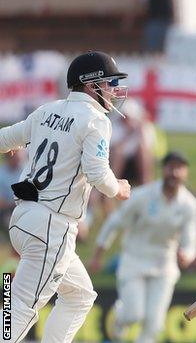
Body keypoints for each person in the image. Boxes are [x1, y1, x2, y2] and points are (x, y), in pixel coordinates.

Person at [0, 51, 132, 342]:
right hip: (52, 227)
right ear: (90, 85)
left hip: (23, 219)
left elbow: (4, 139)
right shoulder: (96, 121)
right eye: (109, 82)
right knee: (21, 307)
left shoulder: (47, 110)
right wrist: (119, 188)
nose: (114, 89)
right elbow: (98, 174)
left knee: (80, 296)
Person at [89, 151, 196, 343]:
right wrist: (98, 254)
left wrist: (187, 256)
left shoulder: (189, 205)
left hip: (164, 264)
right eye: (170, 167)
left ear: (186, 173)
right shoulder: (143, 196)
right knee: (134, 314)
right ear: (163, 169)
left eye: (179, 168)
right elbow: (115, 223)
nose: (174, 173)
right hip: (134, 260)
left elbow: (191, 241)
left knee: (154, 325)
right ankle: (119, 316)